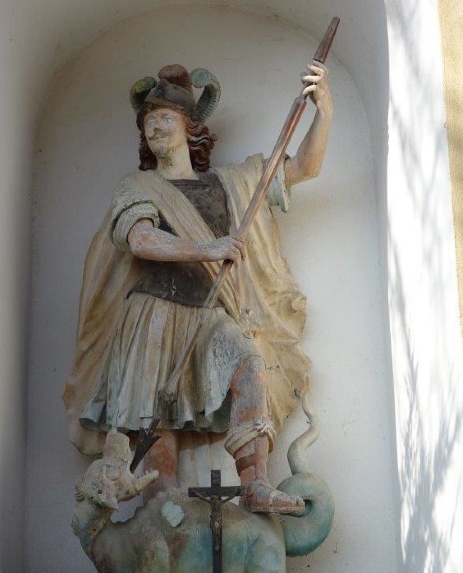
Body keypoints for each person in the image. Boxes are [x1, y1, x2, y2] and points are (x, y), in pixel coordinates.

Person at [64, 61, 333, 513]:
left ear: (190, 127)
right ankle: (160, 510)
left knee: (248, 362)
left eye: (164, 118)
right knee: (154, 415)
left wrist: (324, 110)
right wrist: (208, 249)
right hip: (152, 314)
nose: (154, 127)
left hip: (212, 311)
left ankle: (255, 483)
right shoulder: (137, 185)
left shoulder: (233, 183)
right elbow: (140, 239)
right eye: (148, 122)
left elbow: (303, 167)